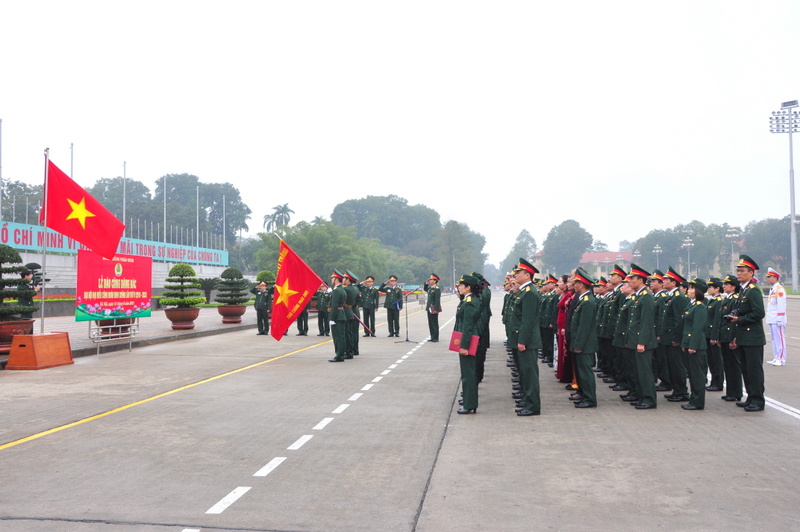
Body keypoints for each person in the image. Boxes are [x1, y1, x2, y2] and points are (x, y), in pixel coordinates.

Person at [730, 255, 766, 412]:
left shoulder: (753, 291)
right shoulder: (743, 291)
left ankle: (758, 400)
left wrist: (740, 319)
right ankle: (750, 397)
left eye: (742, 271)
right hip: (744, 337)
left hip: (753, 338)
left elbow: (759, 313)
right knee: (746, 370)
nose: (738, 274)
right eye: (737, 271)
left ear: (751, 273)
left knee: (754, 371)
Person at [509, 258, 542, 417]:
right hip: (521, 338)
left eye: (518, 273)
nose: (515, 275)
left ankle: (533, 406)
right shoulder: (524, 291)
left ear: (527, 275)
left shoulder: (530, 293)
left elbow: (528, 320)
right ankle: (528, 400)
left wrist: (522, 341)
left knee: (530, 374)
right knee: (525, 373)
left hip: (527, 340)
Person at [626, 264, 658, 410]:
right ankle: (641, 396)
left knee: (645, 372)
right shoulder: (639, 296)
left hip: (643, 341)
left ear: (640, 280)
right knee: (638, 371)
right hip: (635, 340)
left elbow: (646, 322)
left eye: (632, 278)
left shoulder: (646, 297)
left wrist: (642, 342)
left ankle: (649, 399)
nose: (630, 281)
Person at [454, 274, 483, 414]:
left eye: (461, 285)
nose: (458, 287)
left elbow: (468, 326)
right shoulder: (467, 300)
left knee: (469, 373)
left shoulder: (470, 302)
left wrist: (464, 346)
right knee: (467, 372)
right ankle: (469, 401)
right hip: (466, 339)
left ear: (468, 287)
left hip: (468, 340)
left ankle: (470, 403)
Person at [571, 268, 598, 409]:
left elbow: (584, 327)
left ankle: (590, 399)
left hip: (585, 344)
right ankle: (586, 397)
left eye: (576, 283)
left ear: (581, 285)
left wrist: (579, 344)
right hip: (582, 343)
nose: (574, 285)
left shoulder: (587, 302)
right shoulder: (584, 300)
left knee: (586, 373)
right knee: (582, 372)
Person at [662, 267, 690, 403]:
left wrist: (676, 338)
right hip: (668, 338)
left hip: (674, 339)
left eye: (666, 280)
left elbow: (679, 321)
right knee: (672, 366)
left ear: (674, 283)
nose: (663, 281)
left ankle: (682, 392)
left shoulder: (679, 298)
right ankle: (676, 390)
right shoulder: (671, 297)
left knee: (678, 366)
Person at [681, 278, 708, 411]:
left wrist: (692, 345)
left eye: (692, 288)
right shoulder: (691, 305)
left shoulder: (700, 307)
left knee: (697, 375)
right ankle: (693, 399)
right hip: (689, 344)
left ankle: (698, 402)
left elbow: (697, 329)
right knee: (692, 374)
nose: (689, 290)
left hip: (696, 346)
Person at [719, 274, 743, 401]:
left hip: (730, 336)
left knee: (734, 365)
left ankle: (736, 392)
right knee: (727, 365)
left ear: (733, 286)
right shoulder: (727, 298)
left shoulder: (734, 299)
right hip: (724, 336)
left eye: (726, 284)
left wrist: (733, 338)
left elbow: (734, 321)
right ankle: (730, 391)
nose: (724, 286)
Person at [705, 278, 725, 390]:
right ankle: (714, 382)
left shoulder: (718, 302)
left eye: (710, 287)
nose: (708, 289)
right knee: (711, 360)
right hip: (708, 334)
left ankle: (718, 383)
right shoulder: (711, 300)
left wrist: (714, 336)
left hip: (712, 335)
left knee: (716, 360)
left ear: (717, 288)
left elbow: (717, 320)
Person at [765, 267, 787, 366]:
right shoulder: (773, 289)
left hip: (778, 319)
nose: (767, 279)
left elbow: (781, 305)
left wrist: (780, 319)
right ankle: (776, 357)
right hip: (772, 318)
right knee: (774, 339)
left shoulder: (779, 289)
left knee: (780, 339)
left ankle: (781, 358)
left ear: (775, 277)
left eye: (769, 277)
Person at [328, 270, 348, 362]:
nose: (331, 279)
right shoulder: (342, 289)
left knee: (338, 337)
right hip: (341, 315)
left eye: (332, 278)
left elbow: (334, 306)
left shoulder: (336, 291)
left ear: (336, 279)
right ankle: (341, 354)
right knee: (341, 336)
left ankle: (339, 355)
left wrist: (332, 318)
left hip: (337, 316)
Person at [424, 273, 442, 342]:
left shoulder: (437, 289)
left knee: (434, 323)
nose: (430, 281)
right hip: (429, 307)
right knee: (430, 323)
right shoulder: (430, 288)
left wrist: (436, 309)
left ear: (435, 281)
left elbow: (437, 300)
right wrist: (426, 283)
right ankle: (432, 336)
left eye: (431, 280)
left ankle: (436, 337)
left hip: (434, 308)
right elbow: (425, 288)